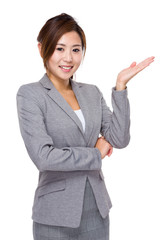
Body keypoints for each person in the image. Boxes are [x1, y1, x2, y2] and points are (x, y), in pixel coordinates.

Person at [16, 13, 154, 240]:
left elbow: (119, 139)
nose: (68, 58)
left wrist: (120, 88)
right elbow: (44, 157)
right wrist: (95, 154)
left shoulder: (91, 92)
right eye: (60, 49)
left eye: (76, 49)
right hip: (55, 215)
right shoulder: (30, 94)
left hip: (96, 210)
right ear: (42, 49)